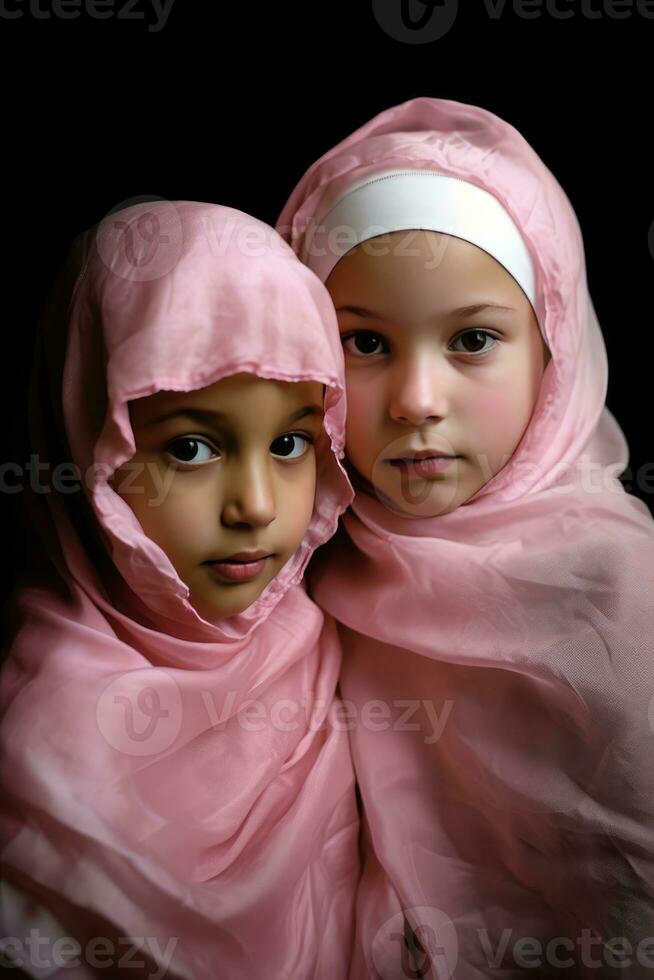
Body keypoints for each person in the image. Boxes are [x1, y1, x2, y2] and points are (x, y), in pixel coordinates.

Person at [275, 97, 654, 979]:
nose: (415, 400)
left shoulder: (619, 598)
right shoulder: (292, 561)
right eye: (363, 342)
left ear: (553, 353)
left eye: (473, 339)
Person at [0, 201, 360, 980]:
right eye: (192, 448)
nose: (257, 506)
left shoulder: (330, 640)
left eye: (293, 442)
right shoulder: (44, 743)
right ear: (82, 436)